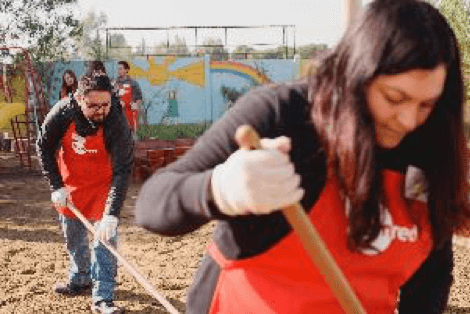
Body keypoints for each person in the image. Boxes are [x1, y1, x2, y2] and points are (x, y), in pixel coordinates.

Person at [135, 0, 470, 313]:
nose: (409, 120)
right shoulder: (287, 114)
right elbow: (153, 203)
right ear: (356, 75)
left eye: (426, 104)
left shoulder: (432, 144)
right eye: (394, 98)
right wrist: (219, 188)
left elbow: (431, 277)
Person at [37, 73, 134, 314]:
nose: (101, 111)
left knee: (105, 241)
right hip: (71, 184)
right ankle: (80, 278)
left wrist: (111, 214)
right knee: (74, 237)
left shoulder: (117, 121)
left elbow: (123, 169)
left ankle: (103, 298)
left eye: (105, 104)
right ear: (79, 98)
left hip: (104, 185)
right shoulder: (62, 112)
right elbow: (44, 146)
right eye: (93, 105)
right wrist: (56, 185)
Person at [115, 60, 143, 134]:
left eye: (120, 68)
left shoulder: (133, 83)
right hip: (118, 112)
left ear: (126, 70)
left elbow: (139, 97)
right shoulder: (115, 83)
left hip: (130, 111)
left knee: (131, 132)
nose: (118, 71)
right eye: (118, 69)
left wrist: (136, 105)